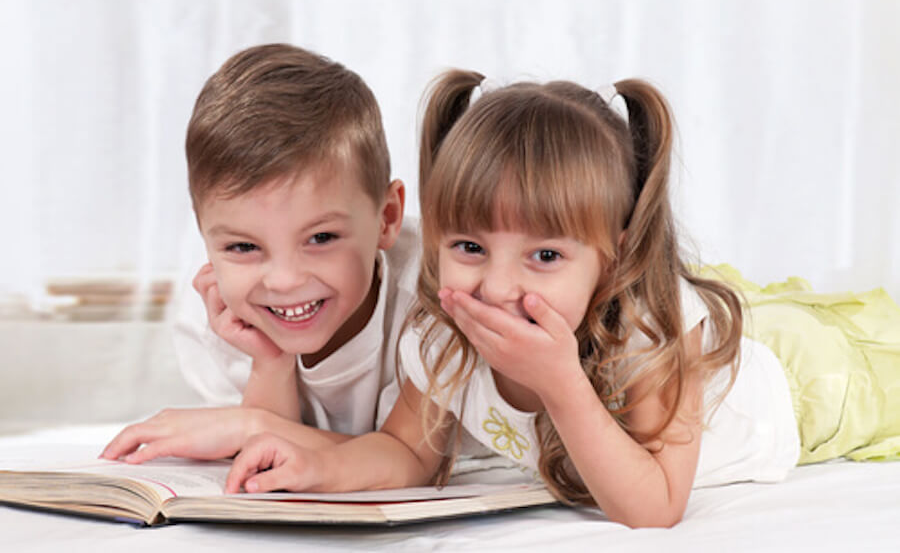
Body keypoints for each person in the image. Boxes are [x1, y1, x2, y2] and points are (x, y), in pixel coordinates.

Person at [232, 70, 900, 527]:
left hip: (810, 388)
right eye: (469, 247)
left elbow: (656, 506)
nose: (496, 287)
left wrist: (561, 383)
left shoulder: (648, 331)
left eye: (544, 256)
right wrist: (321, 464)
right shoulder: (445, 335)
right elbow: (409, 454)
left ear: (612, 257)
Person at [101, 43, 418, 462]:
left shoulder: (431, 295)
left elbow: (413, 457)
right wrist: (272, 364)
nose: (284, 280)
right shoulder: (213, 322)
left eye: (321, 238)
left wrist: (252, 425)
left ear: (387, 217)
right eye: (244, 247)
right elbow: (272, 456)